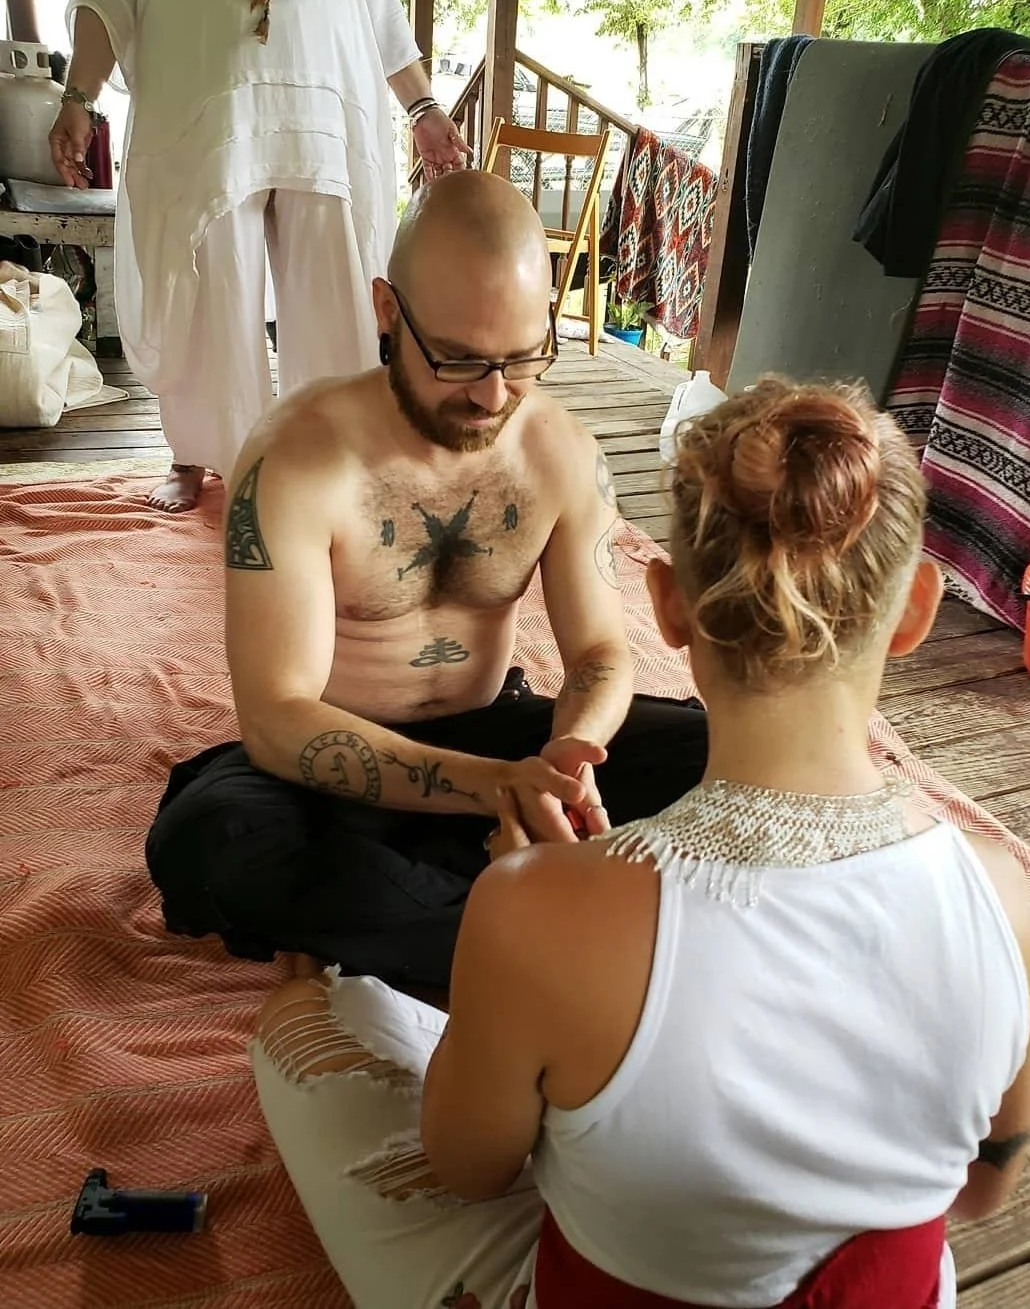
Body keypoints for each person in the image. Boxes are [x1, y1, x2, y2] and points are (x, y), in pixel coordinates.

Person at [249, 377, 1030, 1309]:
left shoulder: (533, 904)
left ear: (665, 605)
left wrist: (517, 937)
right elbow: (982, 1190)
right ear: (914, 611)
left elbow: (468, 1172)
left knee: (308, 1020)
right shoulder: (998, 890)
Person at [145, 169, 710, 989]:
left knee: (722, 752)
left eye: (522, 358)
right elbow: (275, 718)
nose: (491, 395)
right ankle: (551, 935)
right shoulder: (297, 457)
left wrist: (567, 756)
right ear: (386, 311)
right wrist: (494, 792)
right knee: (213, 840)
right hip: (331, 769)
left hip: (498, 734)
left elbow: (598, 654)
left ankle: (444, 917)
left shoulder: (561, 452)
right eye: (457, 360)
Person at [49, 0, 469, 513]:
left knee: (336, 286)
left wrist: (422, 105)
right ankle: (201, 451)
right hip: (200, 79)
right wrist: (79, 96)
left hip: (323, 79)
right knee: (210, 278)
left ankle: (334, 450)